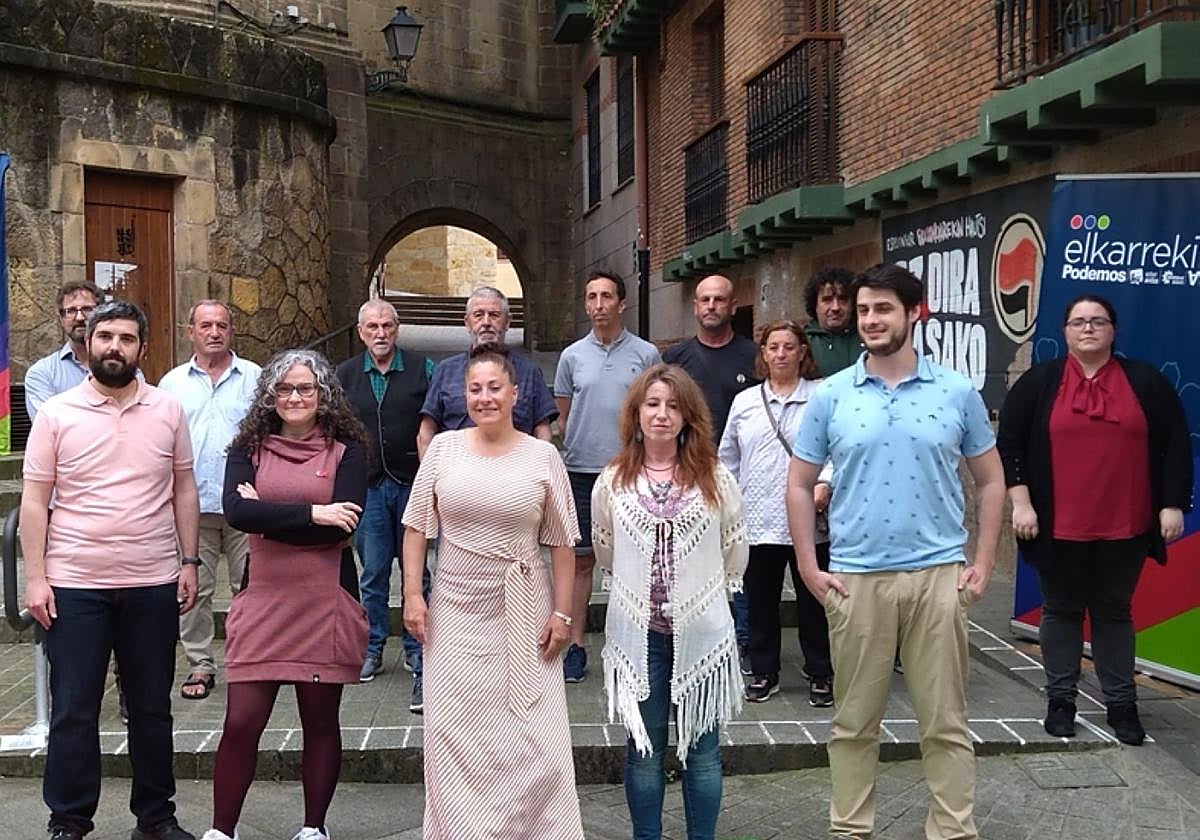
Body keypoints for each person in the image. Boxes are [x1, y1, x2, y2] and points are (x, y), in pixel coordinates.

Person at [787, 264, 1005, 839]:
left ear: (915, 312)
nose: (870, 320)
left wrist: (983, 562)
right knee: (853, 725)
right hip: (856, 578)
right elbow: (800, 483)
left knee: (946, 724)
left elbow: (990, 480)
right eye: (863, 310)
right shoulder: (832, 395)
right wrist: (808, 565)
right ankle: (850, 830)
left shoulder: (956, 391)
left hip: (938, 576)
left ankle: (953, 832)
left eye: (882, 309)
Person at [22, 301, 200, 840]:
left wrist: (189, 561)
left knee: (151, 708)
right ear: (88, 343)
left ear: (143, 347)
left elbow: (183, 487)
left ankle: (156, 817)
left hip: (152, 581)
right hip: (75, 585)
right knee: (74, 709)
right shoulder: (57, 414)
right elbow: (35, 500)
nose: (114, 347)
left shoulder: (168, 409)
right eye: (105, 337)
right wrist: (36, 578)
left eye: (125, 338)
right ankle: (69, 819)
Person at [401, 342, 584, 839]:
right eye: (475, 389)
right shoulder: (443, 449)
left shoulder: (543, 456)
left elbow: (562, 543)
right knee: (454, 732)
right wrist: (413, 595)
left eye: (495, 388)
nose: (485, 398)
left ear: (515, 394)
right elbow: (416, 527)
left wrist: (563, 614)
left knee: (534, 737)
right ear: (464, 395)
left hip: (525, 610)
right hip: (455, 614)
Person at [997, 294, 1192, 746]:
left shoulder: (1145, 381)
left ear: (1113, 330)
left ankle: (1122, 705)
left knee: (1113, 612)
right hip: (1056, 526)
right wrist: (1021, 503)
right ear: (1065, 331)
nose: (1088, 328)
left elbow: (1176, 443)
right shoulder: (1039, 382)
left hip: (1125, 525)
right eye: (1078, 321)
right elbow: (1010, 444)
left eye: (1098, 321)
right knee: (1061, 611)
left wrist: (1171, 504)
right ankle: (1060, 701)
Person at [200, 350, 369, 840]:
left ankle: (314, 828)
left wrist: (268, 514)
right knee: (241, 722)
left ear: (323, 395)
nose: (295, 397)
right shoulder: (247, 448)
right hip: (263, 599)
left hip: (324, 602)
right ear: (270, 396)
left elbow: (343, 527)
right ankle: (222, 831)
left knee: (320, 722)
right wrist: (315, 512)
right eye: (285, 389)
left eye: (306, 388)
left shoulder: (347, 450)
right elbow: (237, 513)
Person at [592, 363, 748, 840]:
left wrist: (699, 596)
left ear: (687, 417)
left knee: (703, 754)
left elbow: (733, 548)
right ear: (637, 413)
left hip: (701, 632)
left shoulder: (715, 478)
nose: (662, 414)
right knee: (644, 752)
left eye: (673, 406)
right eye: (653, 404)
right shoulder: (612, 480)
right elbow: (606, 549)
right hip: (639, 636)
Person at [718, 320, 833, 706]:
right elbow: (728, 457)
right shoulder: (746, 402)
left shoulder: (821, 396)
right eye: (773, 347)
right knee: (760, 601)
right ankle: (764, 671)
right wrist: (728, 502)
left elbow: (837, 448)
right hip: (758, 518)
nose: (781, 354)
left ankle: (821, 672)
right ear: (763, 354)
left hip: (808, 518)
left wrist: (825, 483)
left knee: (815, 599)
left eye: (789, 346)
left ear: (802, 352)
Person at [554, 271, 660, 683]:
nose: (598, 305)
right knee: (581, 562)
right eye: (591, 297)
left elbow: (656, 405)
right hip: (581, 473)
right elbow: (564, 414)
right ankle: (576, 646)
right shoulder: (571, 357)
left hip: (631, 471)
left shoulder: (646, 354)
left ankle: (633, 644)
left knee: (635, 563)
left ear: (622, 303)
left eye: (606, 296)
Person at [158, 300, 261, 702]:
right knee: (194, 589)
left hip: (244, 503)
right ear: (191, 332)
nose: (214, 332)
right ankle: (200, 663)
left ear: (231, 331)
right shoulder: (172, 384)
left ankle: (247, 660)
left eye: (221, 325)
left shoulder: (254, 377)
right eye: (206, 325)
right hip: (191, 505)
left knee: (248, 586)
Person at [335, 299, 434, 710]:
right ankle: (372, 646)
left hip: (412, 484)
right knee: (373, 572)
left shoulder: (423, 369)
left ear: (397, 329)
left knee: (417, 573)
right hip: (369, 487)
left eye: (387, 326)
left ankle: (418, 648)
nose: (380, 333)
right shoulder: (343, 375)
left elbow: (435, 421)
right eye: (372, 326)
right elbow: (335, 431)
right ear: (361, 332)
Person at [662, 273, 758, 674]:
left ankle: (745, 642)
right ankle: (694, 638)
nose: (712, 306)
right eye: (705, 300)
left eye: (720, 299)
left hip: (740, 478)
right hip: (687, 476)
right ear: (695, 307)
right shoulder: (676, 359)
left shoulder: (753, 356)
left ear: (733, 306)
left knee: (739, 560)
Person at [416, 286, 557, 457]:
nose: (486, 322)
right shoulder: (446, 371)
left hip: (515, 467)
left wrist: (540, 465)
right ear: (467, 323)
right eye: (478, 315)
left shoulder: (529, 372)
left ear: (508, 322)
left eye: (494, 315)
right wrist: (430, 469)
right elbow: (427, 431)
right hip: (458, 467)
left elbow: (542, 430)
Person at [23, 281, 102, 421]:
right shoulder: (42, 373)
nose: (80, 318)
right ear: (61, 320)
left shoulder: (124, 370)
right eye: (71, 311)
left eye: (87, 309)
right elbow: (50, 426)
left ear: (102, 315)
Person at [802, 267, 861, 378]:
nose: (835, 307)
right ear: (815, 304)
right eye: (827, 299)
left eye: (843, 299)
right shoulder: (802, 341)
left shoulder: (867, 337)